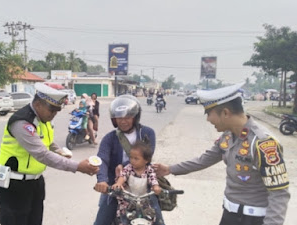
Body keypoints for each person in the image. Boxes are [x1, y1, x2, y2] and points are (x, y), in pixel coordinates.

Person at [153, 82, 290, 225]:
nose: (207, 119)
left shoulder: (263, 143)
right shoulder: (229, 136)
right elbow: (204, 159)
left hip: (254, 219)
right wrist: (170, 169)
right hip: (230, 215)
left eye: (209, 114)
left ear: (225, 113)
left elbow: (279, 193)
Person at [0, 82, 99, 225]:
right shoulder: (22, 122)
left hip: (35, 182)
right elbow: (42, 153)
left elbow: (47, 142)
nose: (54, 115)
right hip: (15, 184)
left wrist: (59, 151)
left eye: (56, 111)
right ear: (38, 104)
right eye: (52, 111)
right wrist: (77, 166)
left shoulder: (43, 119)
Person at [93, 95, 164, 225]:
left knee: (158, 220)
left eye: (127, 117)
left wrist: (123, 166)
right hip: (116, 187)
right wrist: (102, 180)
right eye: (119, 118)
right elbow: (102, 159)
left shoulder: (147, 133)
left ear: (135, 117)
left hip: (143, 187)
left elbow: (147, 157)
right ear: (114, 119)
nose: (123, 121)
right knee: (100, 222)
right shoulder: (109, 138)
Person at [112, 141, 162, 225]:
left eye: (136, 158)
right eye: (131, 157)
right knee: (123, 217)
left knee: (151, 216)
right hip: (128, 199)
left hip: (143, 200)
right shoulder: (129, 168)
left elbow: (153, 179)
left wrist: (156, 186)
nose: (132, 161)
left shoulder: (149, 170)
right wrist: (119, 183)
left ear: (146, 160)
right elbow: (123, 175)